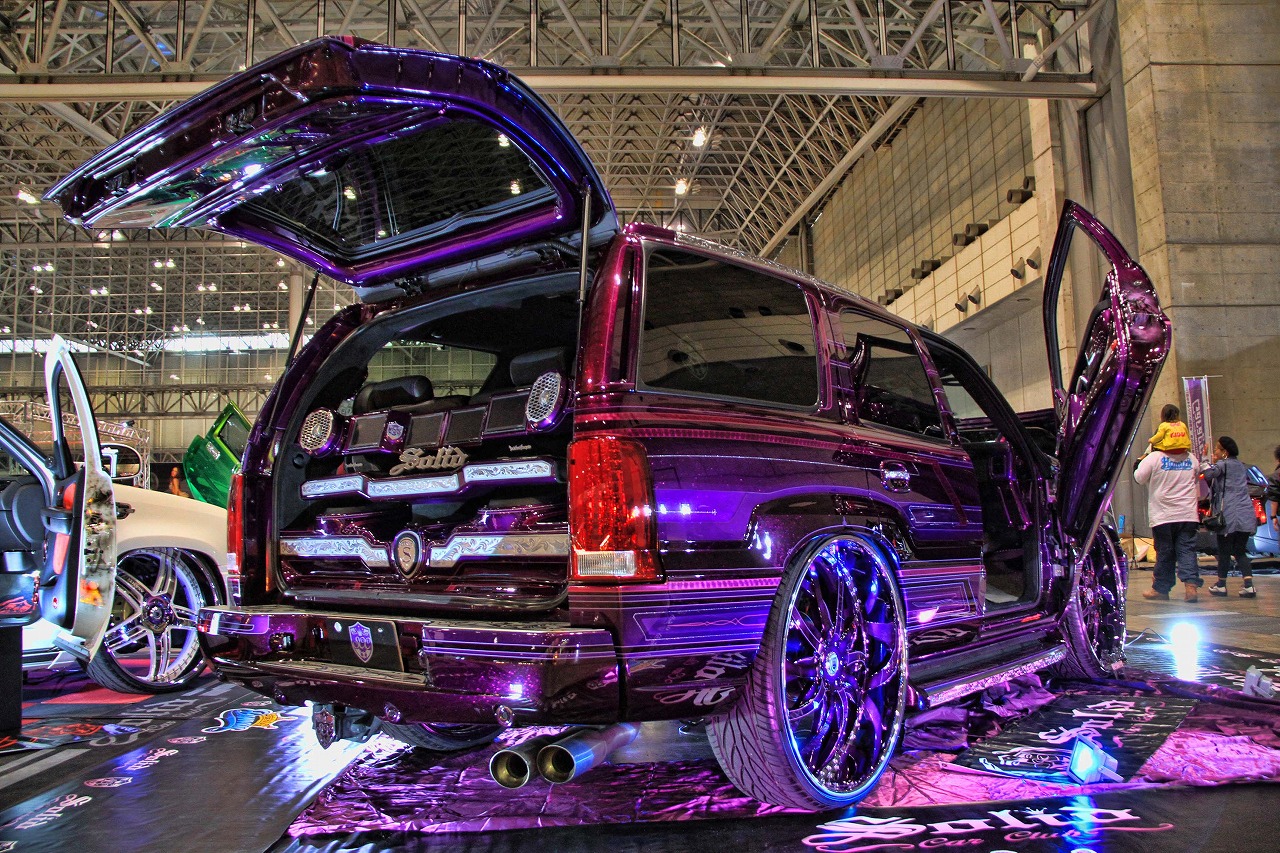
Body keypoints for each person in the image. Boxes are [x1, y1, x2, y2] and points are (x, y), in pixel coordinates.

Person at [1134, 443, 1202, 601]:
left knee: (1165, 552)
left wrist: (1139, 460)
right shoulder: (1191, 458)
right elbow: (1196, 477)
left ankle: (1161, 589)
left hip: (1163, 515)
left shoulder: (1154, 458)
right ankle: (1191, 587)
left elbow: (1139, 477)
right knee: (1187, 550)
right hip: (1187, 514)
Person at [1201, 436, 1257, 598]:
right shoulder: (1241, 466)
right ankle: (1249, 586)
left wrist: (1205, 459)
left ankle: (1221, 585)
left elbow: (1208, 475)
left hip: (1228, 514)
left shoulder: (1222, 465)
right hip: (1245, 513)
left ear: (1224, 452)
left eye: (1217, 449)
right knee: (1240, 550)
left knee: (1224, 551)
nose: (1215, 452)